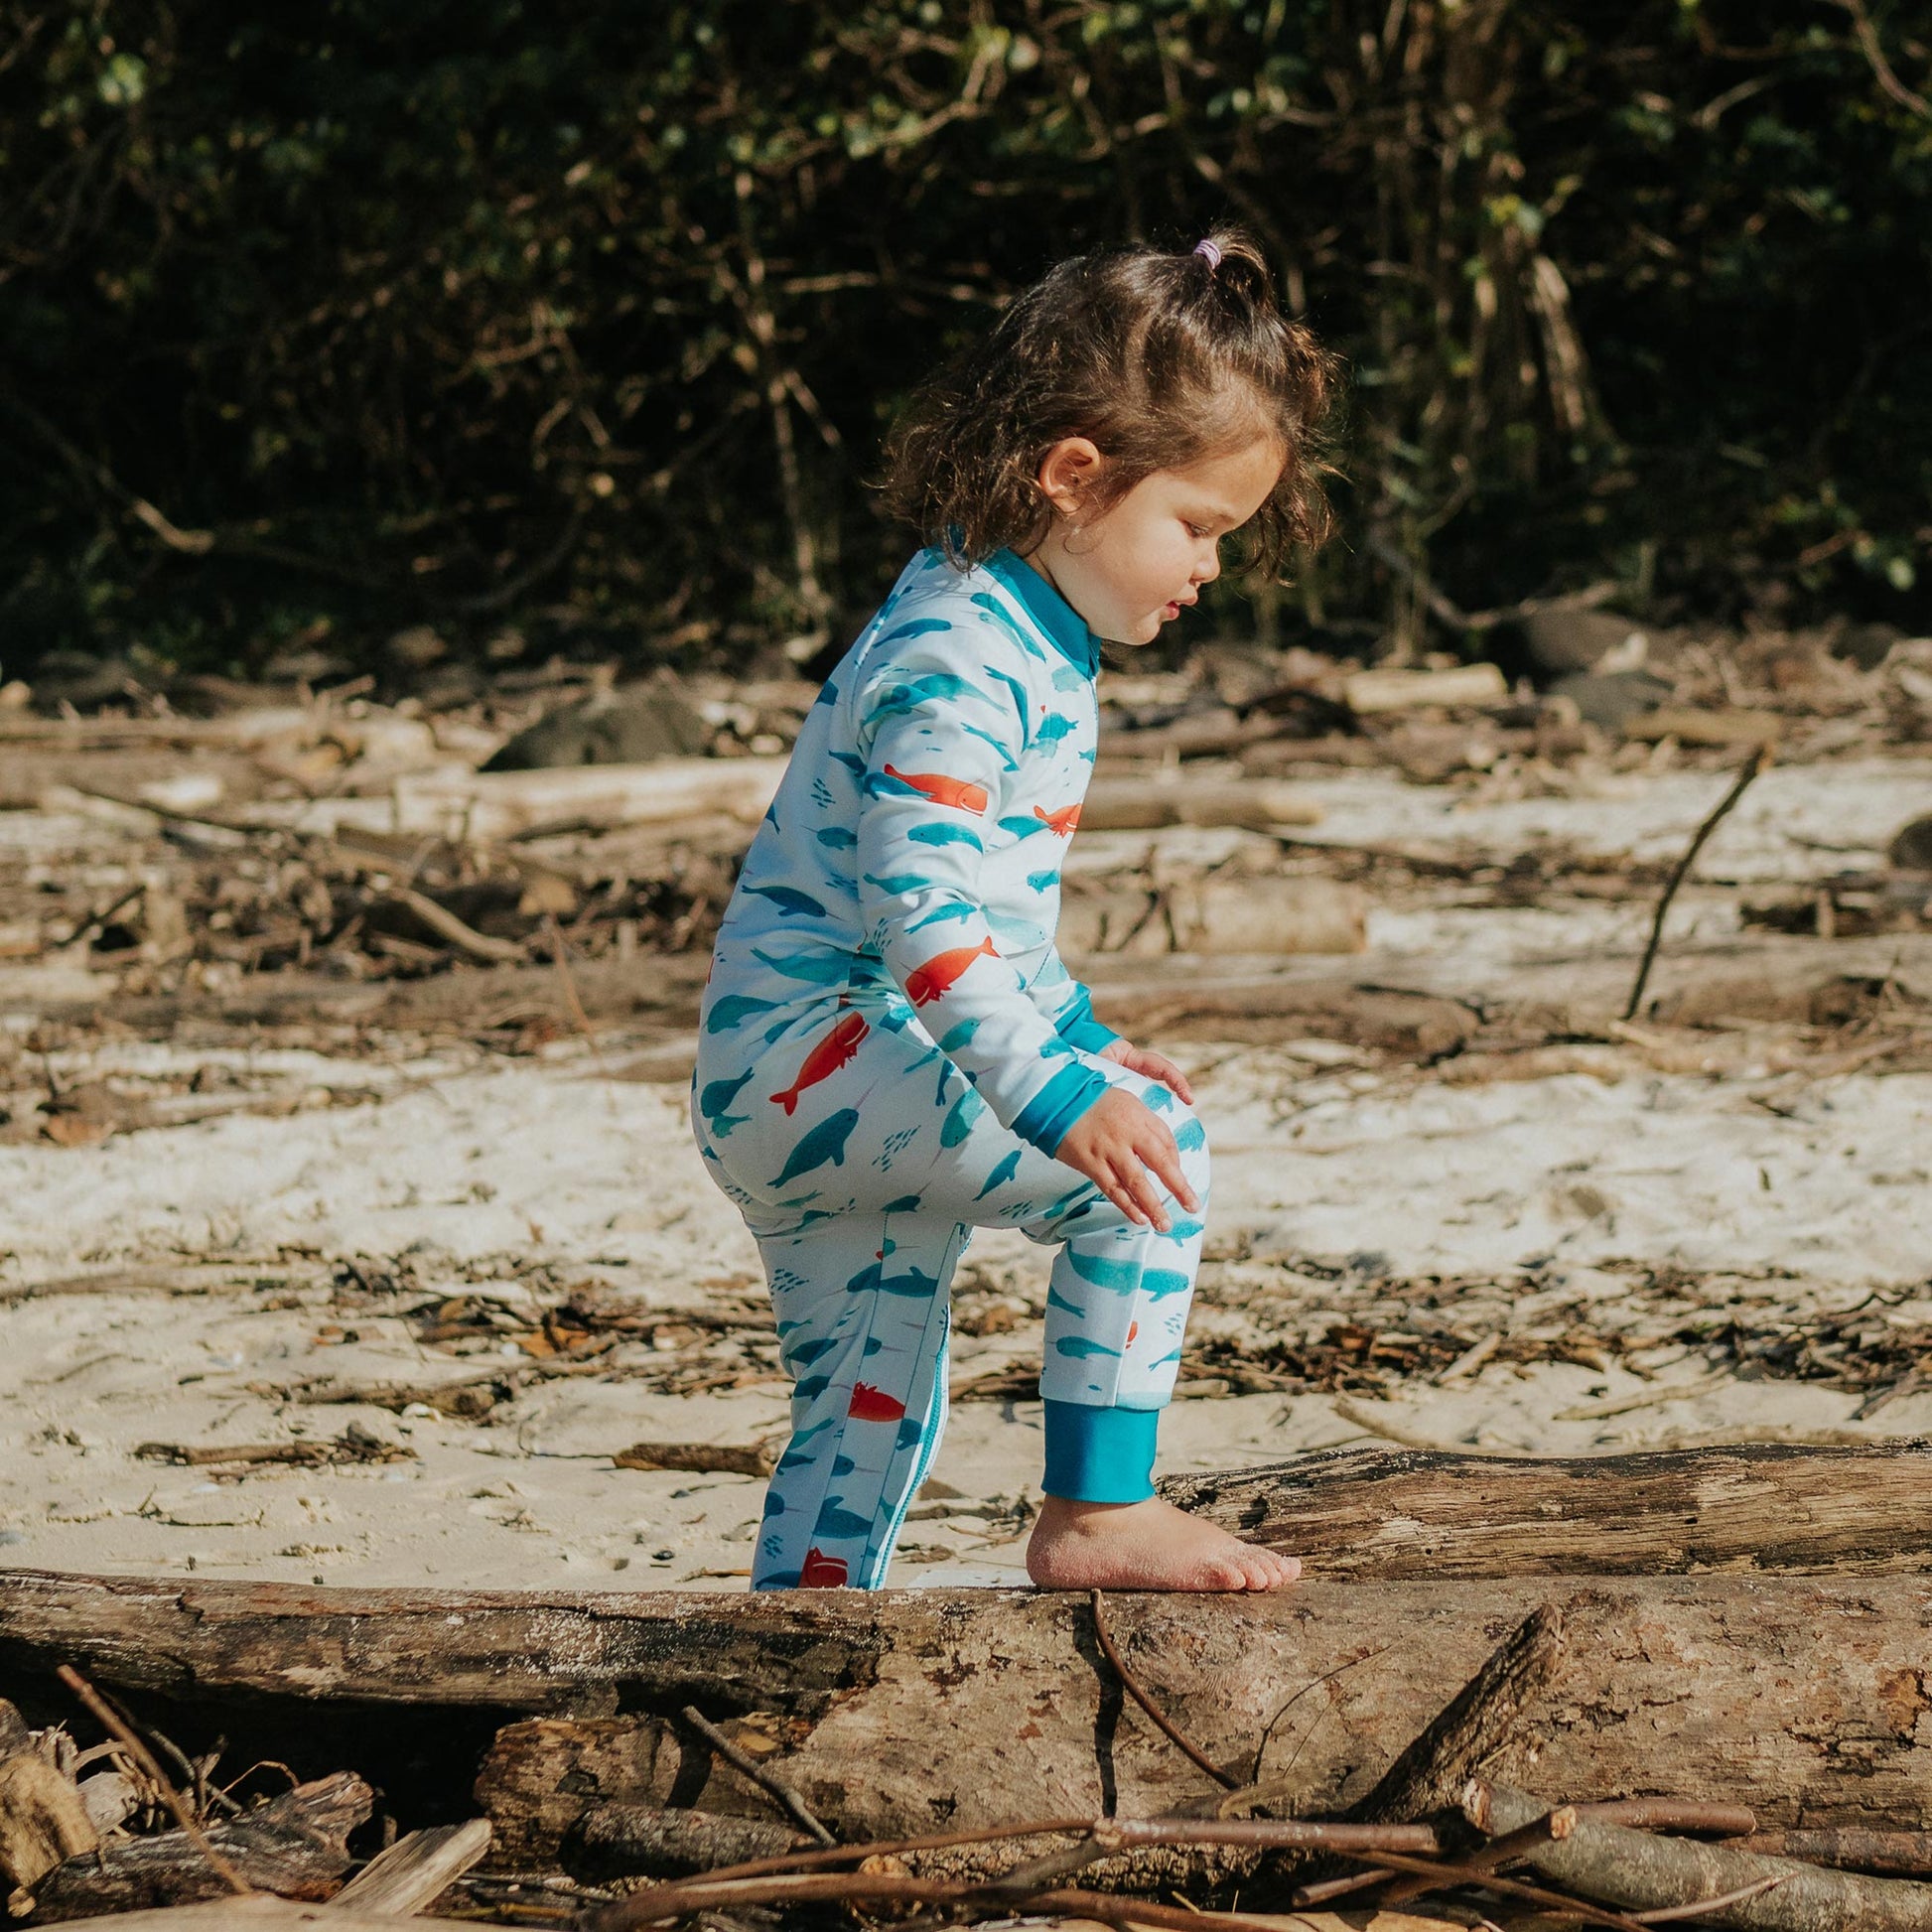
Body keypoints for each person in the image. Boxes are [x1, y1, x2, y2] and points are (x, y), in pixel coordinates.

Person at [691, 229, 1335, 1591]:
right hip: (822, 1058)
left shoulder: (1001, 623)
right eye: (1198, 526)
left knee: (868, 1404)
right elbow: (926, 918)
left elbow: (997, 919)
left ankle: (795, 1645)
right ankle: (1097, 1511)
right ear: (1072, 476)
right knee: (1152, 1170)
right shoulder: (959, 657)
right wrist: (1059, 1097)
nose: (1210, 566)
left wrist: (1079, 1038)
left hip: (790, 1077)